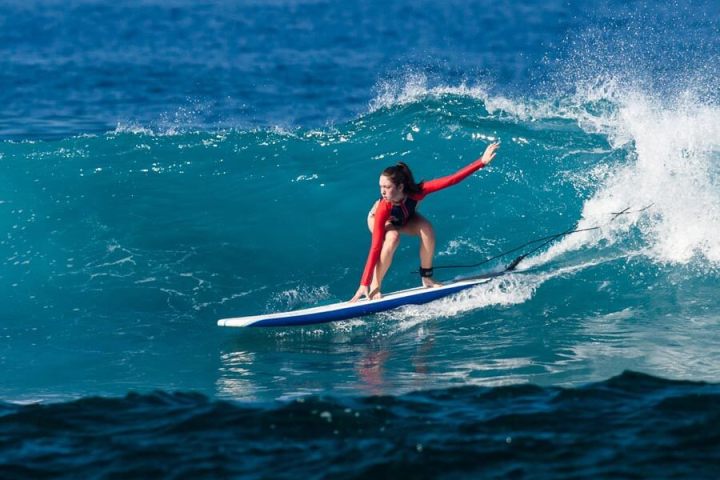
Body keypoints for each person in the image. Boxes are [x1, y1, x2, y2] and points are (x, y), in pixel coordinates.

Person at [350, 142, 500, 302]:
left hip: (405, 217)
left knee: (427, 229)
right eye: (381, 187)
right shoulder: (383, 208)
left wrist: (481, 162)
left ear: (400, 187)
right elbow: (375, 246)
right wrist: (363, 282)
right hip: (379, 220)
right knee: (392, 237)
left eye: (387, 187)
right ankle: (375, 286)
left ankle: (427, 278)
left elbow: (451, 180)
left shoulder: (418, 191)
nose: (382, 191)